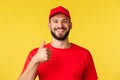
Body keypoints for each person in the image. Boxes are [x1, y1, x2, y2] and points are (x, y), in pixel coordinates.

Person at [18, 6, 98, 80]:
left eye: (64, 21)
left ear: (70, 25)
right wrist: (35, 60)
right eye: (55, 21)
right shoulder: (36, 54)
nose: (60, 25)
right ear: (49, 26)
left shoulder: (84, 54)